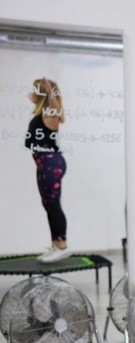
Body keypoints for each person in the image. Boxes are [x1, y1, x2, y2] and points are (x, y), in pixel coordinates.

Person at [26, 77, 71, 264]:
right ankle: (55, 244)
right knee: (48, 205)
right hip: (44, 164)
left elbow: (55, 107)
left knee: (53, 204)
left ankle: (61, 245)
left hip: (51, 162)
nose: (31, 93)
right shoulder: (41, 115)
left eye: (35, 90)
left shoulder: (50, 113)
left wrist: (49, 91)